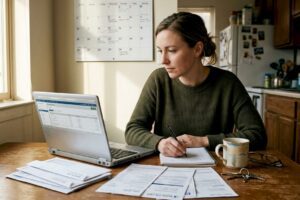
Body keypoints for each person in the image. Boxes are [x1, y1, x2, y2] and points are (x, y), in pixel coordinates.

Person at [125, 12, 267, 157]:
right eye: (160, 51)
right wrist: (160, 143)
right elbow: (132, 130)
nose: (163, 60)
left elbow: (257, 135)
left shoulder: (228, 83)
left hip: (217, 169)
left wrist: (204, 141)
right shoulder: (158, 79)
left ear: (197, 49)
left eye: (172, 51)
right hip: (166, 168)